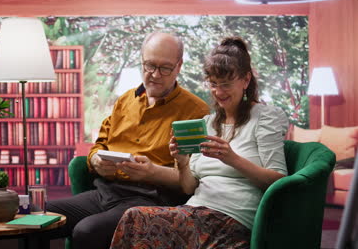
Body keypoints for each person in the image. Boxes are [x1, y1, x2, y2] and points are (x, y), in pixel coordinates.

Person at [109, 36, 289, 249]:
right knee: (135, 220)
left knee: (135, 218)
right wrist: (182, 161)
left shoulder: (265, 118)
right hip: (194, 210)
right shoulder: (208, 123)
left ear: (246, 80)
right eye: (213, 84)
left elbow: (279, 181)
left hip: (232, 218)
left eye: (226, 84)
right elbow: (188, 187)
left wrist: (233, 159)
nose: (219, 92)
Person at [45, 31, 210, 249]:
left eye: (165, 68)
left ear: (178, 67)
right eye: (149, 65)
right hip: (106, 192)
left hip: (151, 200)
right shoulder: (125, 100)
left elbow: (192, 181)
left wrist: (153, 172)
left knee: (87, 231)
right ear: (141, 61)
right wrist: (96, 162)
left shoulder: (196, 111)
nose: (155, 74)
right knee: (41, 216)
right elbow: (99, 145)